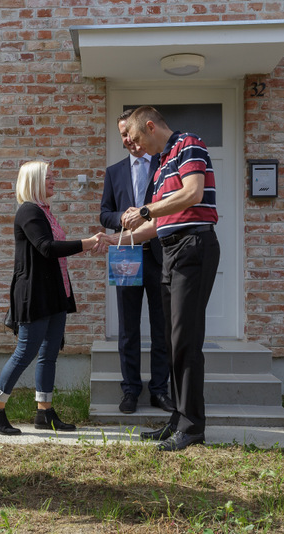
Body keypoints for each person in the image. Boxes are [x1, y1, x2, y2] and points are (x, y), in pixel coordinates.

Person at [118, 106, 219, 452]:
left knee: (186, 339)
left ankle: (192, 427)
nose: (135, 147)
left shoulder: (188, 144)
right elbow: (157, 224)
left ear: (150, 127)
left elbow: (192, 193)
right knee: (172, 340)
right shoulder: (162, 165)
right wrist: (116, 240)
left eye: (135, 139)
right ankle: (178, 419)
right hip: (171, 251)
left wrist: (145, 209)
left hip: (193, 247)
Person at [0, 161, 105, 435]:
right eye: (48, 177)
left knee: (49, 354)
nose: (53, 181)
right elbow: (46, 248)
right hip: (35, 295)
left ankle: (44, 412)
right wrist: (87, 243)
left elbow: (53, 250)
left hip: (55, 293)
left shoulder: (46, 213)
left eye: (53, 176)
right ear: (35, 181)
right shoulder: (29, 211)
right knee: (25, 353)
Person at [100, 109, 173, 415]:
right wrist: (124, 217)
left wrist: (147, 214)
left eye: (130, 133)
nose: (128, 140)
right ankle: (130, 389)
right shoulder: (114, 172)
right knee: (128, 328)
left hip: (159, 255)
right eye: (122, 135)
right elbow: (104, 214)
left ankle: (159, 390)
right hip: (126, 255)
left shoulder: (163, 164)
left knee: (161, 327)